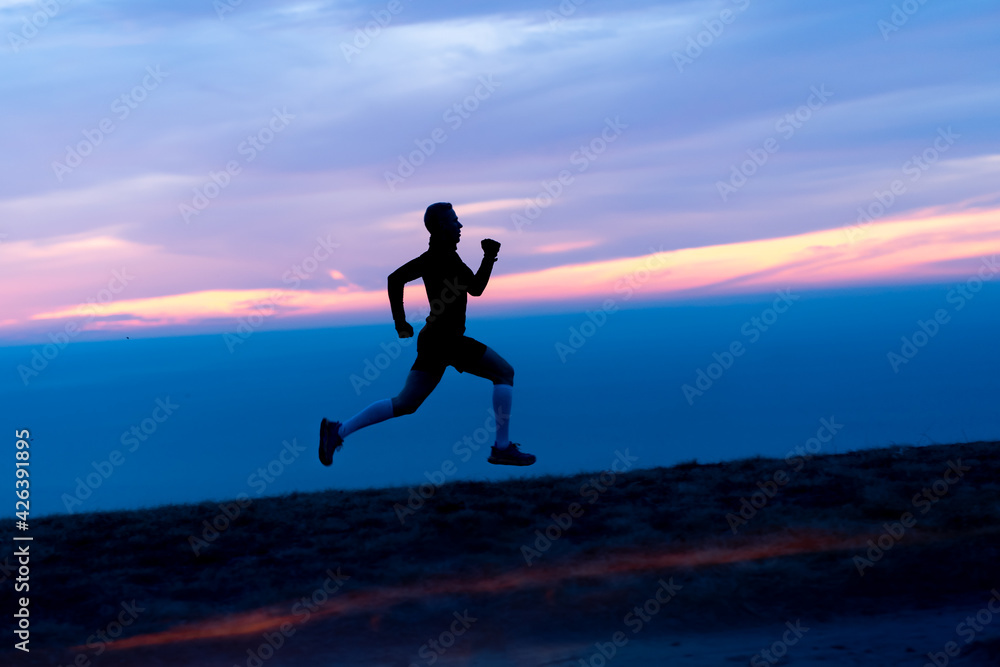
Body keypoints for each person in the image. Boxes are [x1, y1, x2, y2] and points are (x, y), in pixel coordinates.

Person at [319, 202, 535, 467]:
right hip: (446, 339)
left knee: (405, 403)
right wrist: (400, 322)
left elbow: (474, 288)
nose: (460, 226)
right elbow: (395, 279)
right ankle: (502, 448)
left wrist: (488, 257)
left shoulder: (447, 257)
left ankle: (337, 431)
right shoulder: (436, 258)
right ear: (443, 226)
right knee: (504, 372)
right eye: (455, 221)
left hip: (434, 340)